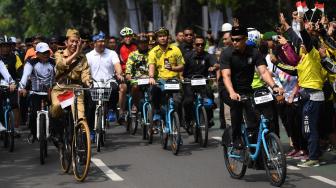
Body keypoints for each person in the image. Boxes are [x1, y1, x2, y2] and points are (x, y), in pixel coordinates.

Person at [220, 26, 283, 149]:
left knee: (254, 118)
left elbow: (263, 72)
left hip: (247, 89)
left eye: (238, 39)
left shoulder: (254, 52)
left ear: (245, 39)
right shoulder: (227, 53)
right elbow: (226, 76)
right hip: (228, 89)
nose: (234, 42)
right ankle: (236, 136)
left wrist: (274, 86)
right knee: (236, 104)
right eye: (233, 39)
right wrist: (232, 92)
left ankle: (256, 151)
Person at [50, 29, 91, 139]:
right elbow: (60, 65)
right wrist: (75, 54)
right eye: (72, 41)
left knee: (81, 116)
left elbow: (85, 73)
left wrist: (87, 81)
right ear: (66, 42)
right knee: (57, 107)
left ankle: (81, 138)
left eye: (77, 41)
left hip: (76, 89)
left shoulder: (83, 57)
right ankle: (56, 132)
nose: (74, 44)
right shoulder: (59, 53)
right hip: (60, 88)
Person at [85, 31, 123, 140]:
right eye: (99, 41)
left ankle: (111, 109)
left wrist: (119, 74)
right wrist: (87, 80)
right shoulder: (88, 56)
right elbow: (85, 71)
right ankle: (91, 130)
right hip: (94, 82)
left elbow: (117, 65)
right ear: (94, 43)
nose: (101, 43)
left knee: (115, 88)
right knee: (91, 106)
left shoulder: (112, 53)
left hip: (108, 81)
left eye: (103, 41)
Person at [18, 42, 55, 143]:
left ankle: (55, 133)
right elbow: (25, 76)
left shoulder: (53, 62)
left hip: (51, 92)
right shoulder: (31, 63)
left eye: (47, 52)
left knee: (56, 113)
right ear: (37, 53)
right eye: (43, 53)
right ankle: (34, 133)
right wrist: (22, 88)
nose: (46, 55)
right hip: (35, 92)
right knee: (34, 114)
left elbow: (60, 75)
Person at [182, 35, 218, 132]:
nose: (200, 46)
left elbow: (215, 64)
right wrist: (182, 78)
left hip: (203, 81)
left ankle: (209, 118)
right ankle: (188, 120)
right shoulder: (187, 56)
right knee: (188, 101)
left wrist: (214, 67)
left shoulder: (208, 56)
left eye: (202, 44)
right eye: (198, 44)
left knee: (209, 96)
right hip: (189, 82)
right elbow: (182, 71)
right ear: (194, 45)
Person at [148, 27, 185, 121]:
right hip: (161, 80)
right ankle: (157, 112)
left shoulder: (175, 49)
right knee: (154, 92)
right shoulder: (153, 52)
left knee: (177, 101)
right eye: (160, 36)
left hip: (174, 80)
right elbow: (151, 65)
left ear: (168, 37)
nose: (163, 38)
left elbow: (181, 66)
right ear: (157, 38)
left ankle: (177, 119)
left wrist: (173, 68)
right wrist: (151, 77)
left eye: (164, 36)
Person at [125, 35, 150, 113]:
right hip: (137, 79)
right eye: (141, 43)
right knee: (135, 87)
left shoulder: (152, 53)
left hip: (150, 78)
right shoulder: (133, 54)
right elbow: (128, 66)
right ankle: (135, 104)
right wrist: (128, 74)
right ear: (138, 44)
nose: (143, 44)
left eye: (145, 42)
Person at [118, 27, 137, 123]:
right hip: (123, 72)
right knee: (123, 88)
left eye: (129, 36)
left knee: (136, 86)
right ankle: (121, 111)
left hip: (136, 72)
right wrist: (119, 73)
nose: (128, 38)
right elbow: (118, 62)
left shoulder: (136, 46)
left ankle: (135, 104)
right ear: (122, 38)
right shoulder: (120, 47)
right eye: (125, 37)